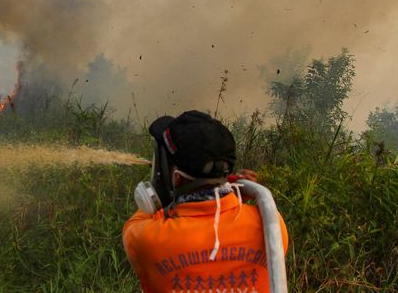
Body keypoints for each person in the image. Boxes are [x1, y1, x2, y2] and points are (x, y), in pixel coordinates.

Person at [123, 110, 288, 292]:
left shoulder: (148, 239)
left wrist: (157, 194)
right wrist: (234, 194)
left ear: (177, 178)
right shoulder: (270, 225)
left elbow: (136, 224)